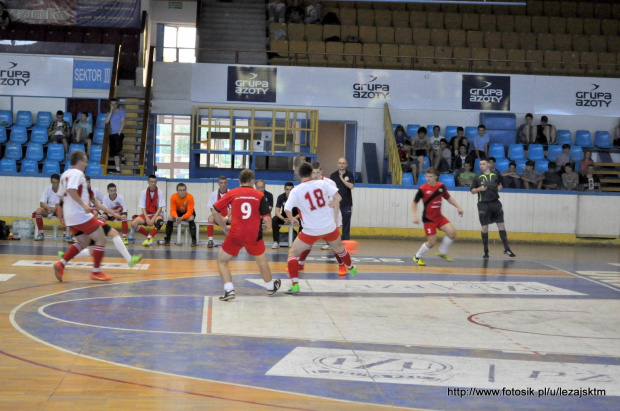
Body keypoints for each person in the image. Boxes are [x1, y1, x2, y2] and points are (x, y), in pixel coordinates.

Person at [284, 163, 357, 294]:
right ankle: (351, 267)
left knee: (293, 254)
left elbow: (287, 209)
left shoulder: (296, 190)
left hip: (310, 230)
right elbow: (339, 197)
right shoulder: (322, 184)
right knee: (339, 249)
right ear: (312, 173)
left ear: (299, 175)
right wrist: (332, 203)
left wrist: (293, 219)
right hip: (328, 226)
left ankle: (295, 285)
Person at [212, 168, 281, 301]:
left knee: (222, 261)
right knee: (262, 262)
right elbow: (267, 219)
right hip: (253, 235)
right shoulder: (259, 195)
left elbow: (215, 210)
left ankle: (229, 289)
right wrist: (267, 229)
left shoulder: (232, 193)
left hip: (236, 234)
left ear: (239, 181)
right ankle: (271, 286)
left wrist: (224, 227)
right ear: (252, 181)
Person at [53, 150, 110, 282]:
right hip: (80, 215)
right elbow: (71, 190)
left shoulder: (64, 174)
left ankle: (61, 264)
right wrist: (84, 205)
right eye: (85, 161)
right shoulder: (78, 173)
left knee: (83, 242)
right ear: (79, 162)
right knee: (101, 239)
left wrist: (61, 216)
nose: (86, 163)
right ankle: (96, 272)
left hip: (71, 217)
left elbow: (61, 197)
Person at [57, 188, 142, 269]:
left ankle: (66, 256)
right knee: (113, 233)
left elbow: (97, 204)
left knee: (92, 251)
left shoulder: (85, 190)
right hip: (85, 220)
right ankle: (128, 260)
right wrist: (61, 219)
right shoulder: (74, 190)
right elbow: (60, 204)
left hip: (81, 220)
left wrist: (113, 213)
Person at [412, 168, 464, 266]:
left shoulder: (441, 187)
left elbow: (448, 197)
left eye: (430, 177)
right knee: (431, 242)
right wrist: (415, 215)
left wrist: (458, 206)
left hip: (439, 217)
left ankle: (442, 252)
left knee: (452, 233)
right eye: (427, 176)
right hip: (428, 219)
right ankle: (417, 256)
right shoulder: (423, 189)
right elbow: (414, 202)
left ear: (436, 177)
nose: (428, 179)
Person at [298, 161, 344, 270]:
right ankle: (300, 263)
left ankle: (341, 266)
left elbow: (336, 201)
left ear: (321, 171)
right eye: (313, 173)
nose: (315, 175)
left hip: (330, 217)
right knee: (308, 243)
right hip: (315, 219)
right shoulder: (307, 184)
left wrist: (335, 220)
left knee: (334, 245)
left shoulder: (329, 183)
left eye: (317, 172)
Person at [471, 158, 516, 259]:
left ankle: (506, 248)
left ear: (488, 165)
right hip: (483, 204)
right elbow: (472, 190)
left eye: (483, 164)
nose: (481, 166)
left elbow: (501, 184)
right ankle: (486, 251)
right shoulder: (477, 177)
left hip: (495, 203)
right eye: (480, 164)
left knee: (502, 226)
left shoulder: (496, 174)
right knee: (484, 227)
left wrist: (500, 187)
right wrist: (479, 189)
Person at [132, 174, 166, 246]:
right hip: (147, 213)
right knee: (133, 224)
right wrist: (147, 219)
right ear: (148, 182)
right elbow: (142, 207)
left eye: (155, 182)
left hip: (156, 214)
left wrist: (153, 219)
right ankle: (150, 236)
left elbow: (160, 208)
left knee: (160, 222)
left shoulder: (160, 192)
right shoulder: (144, 192)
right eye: (151, 182)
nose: (153, 183)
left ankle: (148, 239)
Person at [330, 157, 354, 240]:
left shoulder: (349, 174)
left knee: (346, 223)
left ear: (346, 165)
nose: (341, 165)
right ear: (337, 164)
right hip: (336, 203)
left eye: (343, 163)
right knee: (334, 223)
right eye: (340, 163)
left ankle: (345, 241)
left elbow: (351, 186)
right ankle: (332, 240)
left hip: (346, 203)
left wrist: (342, 179)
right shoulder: (333, 176)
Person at [271, 182, 302, 249]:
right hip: (284, 216)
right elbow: (277, 211)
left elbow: (301, 212)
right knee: (275, 219)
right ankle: (276, 241)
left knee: (304, 221)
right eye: (287, 189)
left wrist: (292, 219)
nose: (289, 191)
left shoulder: (298, 198)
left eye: (290, 189)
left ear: (293, 189)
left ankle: (299, 242)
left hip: (295, 216)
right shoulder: (281, 197)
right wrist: (283, 219)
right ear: (285, 189)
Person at [33, 173, 61, 241]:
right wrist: (48, 208)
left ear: (59, 182)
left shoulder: (63, 190)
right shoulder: (47, 189)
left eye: (57, 182)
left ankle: (66, 234)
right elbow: (42, 203)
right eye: (53, 182)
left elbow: (65, 203)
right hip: (49, 209)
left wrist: (58, 207)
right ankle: (40, 234)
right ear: (51, 182)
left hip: (59, 209)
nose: (55, 184)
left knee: (67, 213)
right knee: (38, 211)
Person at [206, 176, 229, 248]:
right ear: (218, 184)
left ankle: (229, 240)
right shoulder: (213, 194)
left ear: (227, 183)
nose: (223, 184)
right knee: (210, 219)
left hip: (228, 215)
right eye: (221, 183)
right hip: (217, 215)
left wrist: (226, 217)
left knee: (235, 220)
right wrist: (218, 217)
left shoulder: (230, 193)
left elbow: (233, 208)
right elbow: (212, 208)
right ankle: (210, 240)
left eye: (225, 183)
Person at [105, 98, 126, 174]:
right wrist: (111, 112)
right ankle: (118, 169)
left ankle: (122, 159)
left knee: (118, 150)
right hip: (112, 134)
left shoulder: (121, 112)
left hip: (119, 133)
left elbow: (123, 123)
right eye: (112, 104)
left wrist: (119, 133)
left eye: (114, 104)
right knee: (115, 152)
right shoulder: (109, 113)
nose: (113, 105)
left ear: (117, 104)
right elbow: (106, 122)